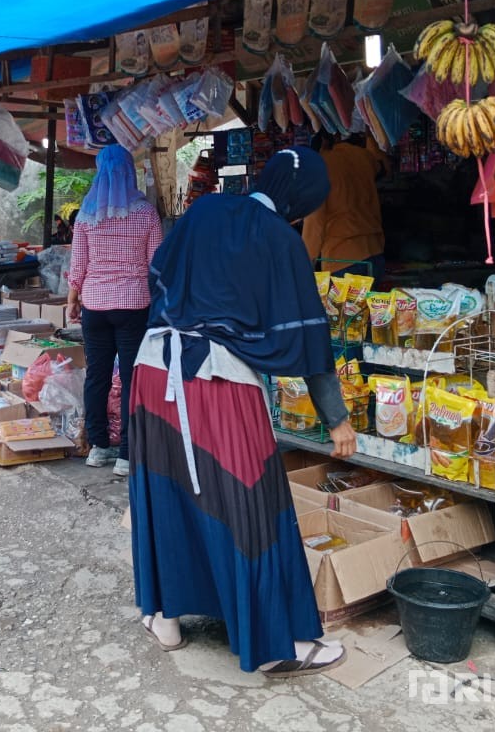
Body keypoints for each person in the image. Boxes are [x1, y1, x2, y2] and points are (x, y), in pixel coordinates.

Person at [128, 146, 356, 677]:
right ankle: (275, 644)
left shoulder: (205, 209)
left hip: (153, 371)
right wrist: (336, 418)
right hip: (216, 383)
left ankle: (163, 616)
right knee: (251, 502)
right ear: (303, 203)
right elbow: (308, 337)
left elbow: (157, 269)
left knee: (166, 493)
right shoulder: (281, 240)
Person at [66, 145, 162, 478]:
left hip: (95, 305)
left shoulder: (86, 215)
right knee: (133, 379)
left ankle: (97, 448)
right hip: (134, 305)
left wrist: (72, 299)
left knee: (98, 377)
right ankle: (127, 454)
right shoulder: (146, 213)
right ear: (129, 172)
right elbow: (157, 263)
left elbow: (78, 264)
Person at [300, 133, 388, 280]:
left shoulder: (318, 169)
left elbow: (314, 225)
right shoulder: (361, 155)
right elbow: (384, 166)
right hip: (375, 253)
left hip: (343, 260)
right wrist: (370, 135)